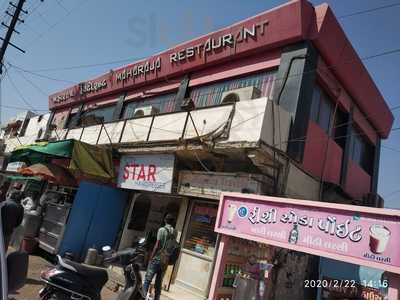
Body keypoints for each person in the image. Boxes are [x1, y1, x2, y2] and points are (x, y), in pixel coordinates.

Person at [143, 214, 177, 300]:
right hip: (165, 260)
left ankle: (142, 297)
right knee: (159, 282)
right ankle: (157, 298)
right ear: (172, 222)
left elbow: (157, 245)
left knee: (148, 280)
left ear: (165, 220)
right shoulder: (175, 232)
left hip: (157, 258)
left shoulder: (161, 230)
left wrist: (151, 256)